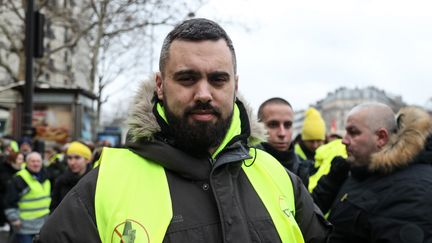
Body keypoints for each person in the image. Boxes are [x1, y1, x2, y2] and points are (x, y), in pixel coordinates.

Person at [36, 18, 330, 242]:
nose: (203, 93)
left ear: (235, 86)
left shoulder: (277, 177)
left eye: (217, 80)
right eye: (187, 79)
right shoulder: (105, 184)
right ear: (160, 85)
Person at [326, 103, 432, 242]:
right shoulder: (362, 171)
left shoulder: (414, 189)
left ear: (381, 137)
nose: (344, 140)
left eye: (353, 132)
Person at [257, 97, 312, 187]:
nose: (282, 133)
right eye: (273, 125)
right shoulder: (245, 164)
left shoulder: (303, 167)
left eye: (287, 125)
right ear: (258, 126)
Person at [3, 152, 50, 243]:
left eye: (38, 161)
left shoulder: (46, 177)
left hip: (43, 226)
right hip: (25, 227)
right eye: (32, 161)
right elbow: (9, 201)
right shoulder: (19, 179)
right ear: (26, 163)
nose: (36, 164)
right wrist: (14, 219)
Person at [49, 141, 92, 211]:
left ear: (87, 160)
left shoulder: (94, 181)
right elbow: (54, 208)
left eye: (77, 158)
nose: (72, 162)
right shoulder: (61, 181)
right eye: (69, 158)